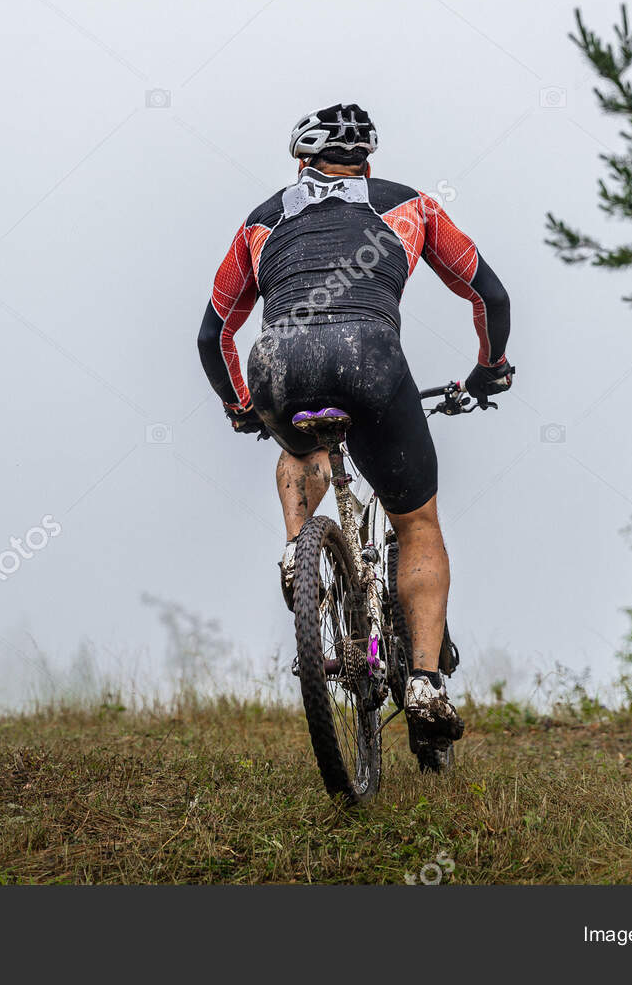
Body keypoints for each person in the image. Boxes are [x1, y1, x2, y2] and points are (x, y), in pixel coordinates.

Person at [196, 103, 514, 760]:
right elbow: (491, 295)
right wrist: (490, 368)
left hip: (279, 363)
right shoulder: (412, 208)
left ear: (301, 162)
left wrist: (239, 406)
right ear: (369, 162)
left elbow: (214, 332)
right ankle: (424, 682)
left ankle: (296, 548)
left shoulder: (261, 220)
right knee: (417, 522)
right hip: (371, 358)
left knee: (298, 444)